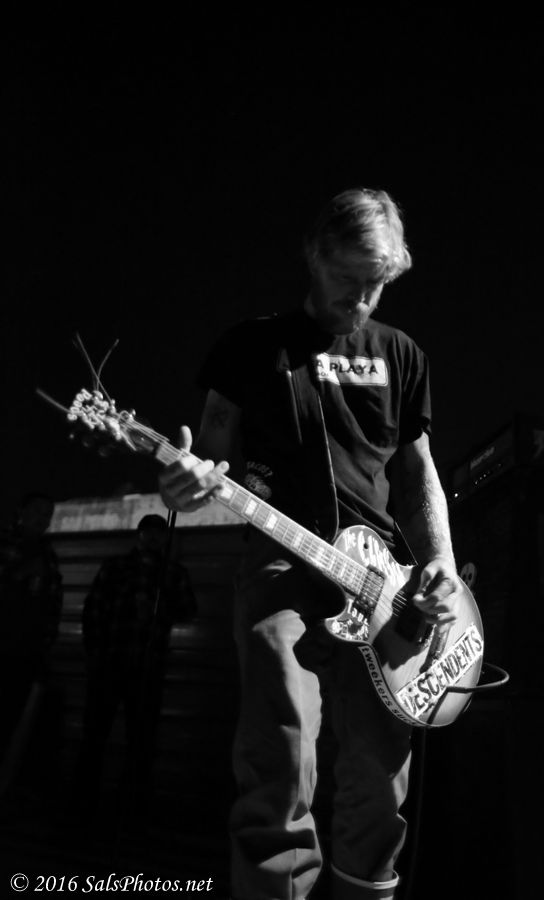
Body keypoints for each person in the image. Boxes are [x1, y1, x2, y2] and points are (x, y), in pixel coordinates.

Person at [158, 188, 461, 900]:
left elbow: (417, 475)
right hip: (281, 566)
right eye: (348, 278)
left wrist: (440, 562)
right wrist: (184, 485)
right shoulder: (249, 347)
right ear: (314, 256)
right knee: (281, 756)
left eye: (377, 284)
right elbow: (211, 459)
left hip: (383, 587)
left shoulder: (402, 354)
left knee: (380, 782)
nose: (361, 300)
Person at [77, 513, 196, 813]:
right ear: (139, 534)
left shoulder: (172, 572)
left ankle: (130, 806)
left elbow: (187, 610)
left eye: (159, 533)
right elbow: (94, 609)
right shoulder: (116, 567)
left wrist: (163, 602)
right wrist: (95, 652)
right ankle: (84, 802)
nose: (154, 538)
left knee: (141, 740)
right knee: (94, 735)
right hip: (110, 662)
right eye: (148, 532)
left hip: (147, 668)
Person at [0, 493, 63, 771]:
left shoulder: (47, 552)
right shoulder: (5, 542)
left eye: (47, 513)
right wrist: (20, 574)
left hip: (28, 652)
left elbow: (52, 601)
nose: (43, 518)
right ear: (21, 511)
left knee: (14, 722)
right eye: (37, 511)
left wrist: (45, 644)